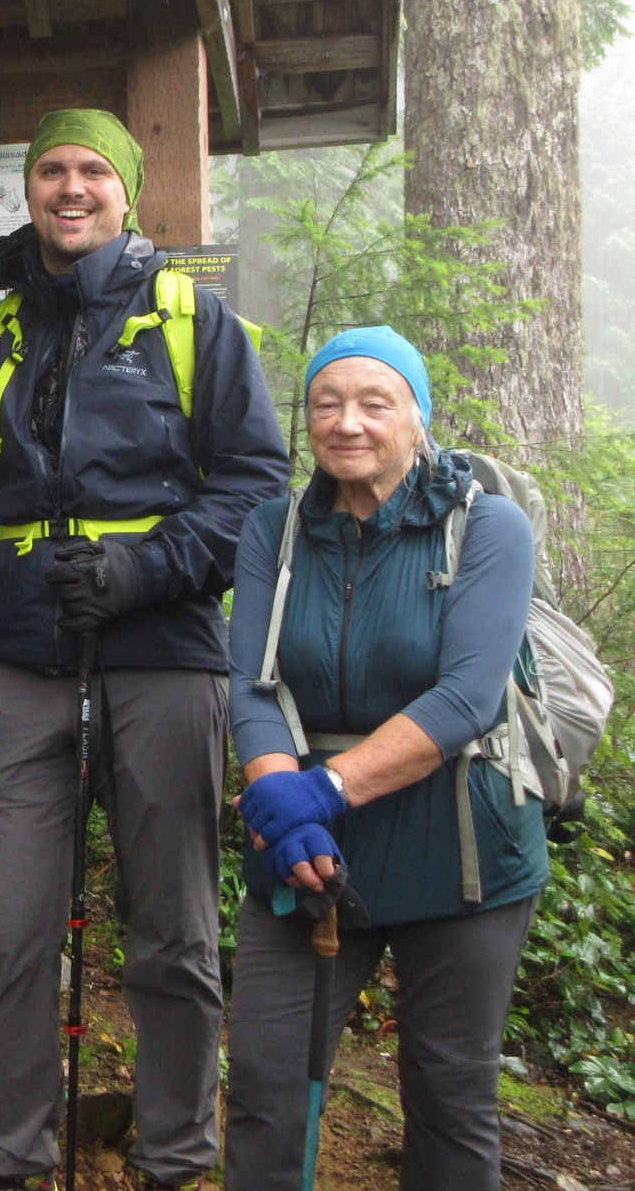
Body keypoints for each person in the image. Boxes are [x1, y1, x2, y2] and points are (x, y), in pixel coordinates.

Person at [0, 109, 288, 1190]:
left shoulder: (194, 322)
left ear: (127, 190)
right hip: (23, 656)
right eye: (51, 171)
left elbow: (256, 488)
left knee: (172, 927)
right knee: (6, 921)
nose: (71, 188)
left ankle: (174, 1155)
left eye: (92, 172)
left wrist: (142, 569)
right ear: (28, 190)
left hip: (164, 656)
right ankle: (13, 1157)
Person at [224, 326, 544, 1191]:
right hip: (304, 844)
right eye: (326, 403)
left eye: (376, 403)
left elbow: (466, 697)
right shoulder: (274, 530)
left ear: (418, 416)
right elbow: (252, 685)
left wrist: (323, 791)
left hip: (461, 849)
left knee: (449, 1093)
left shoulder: (488, 527)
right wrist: (286, 808)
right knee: (266, 1082)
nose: (348, 423)